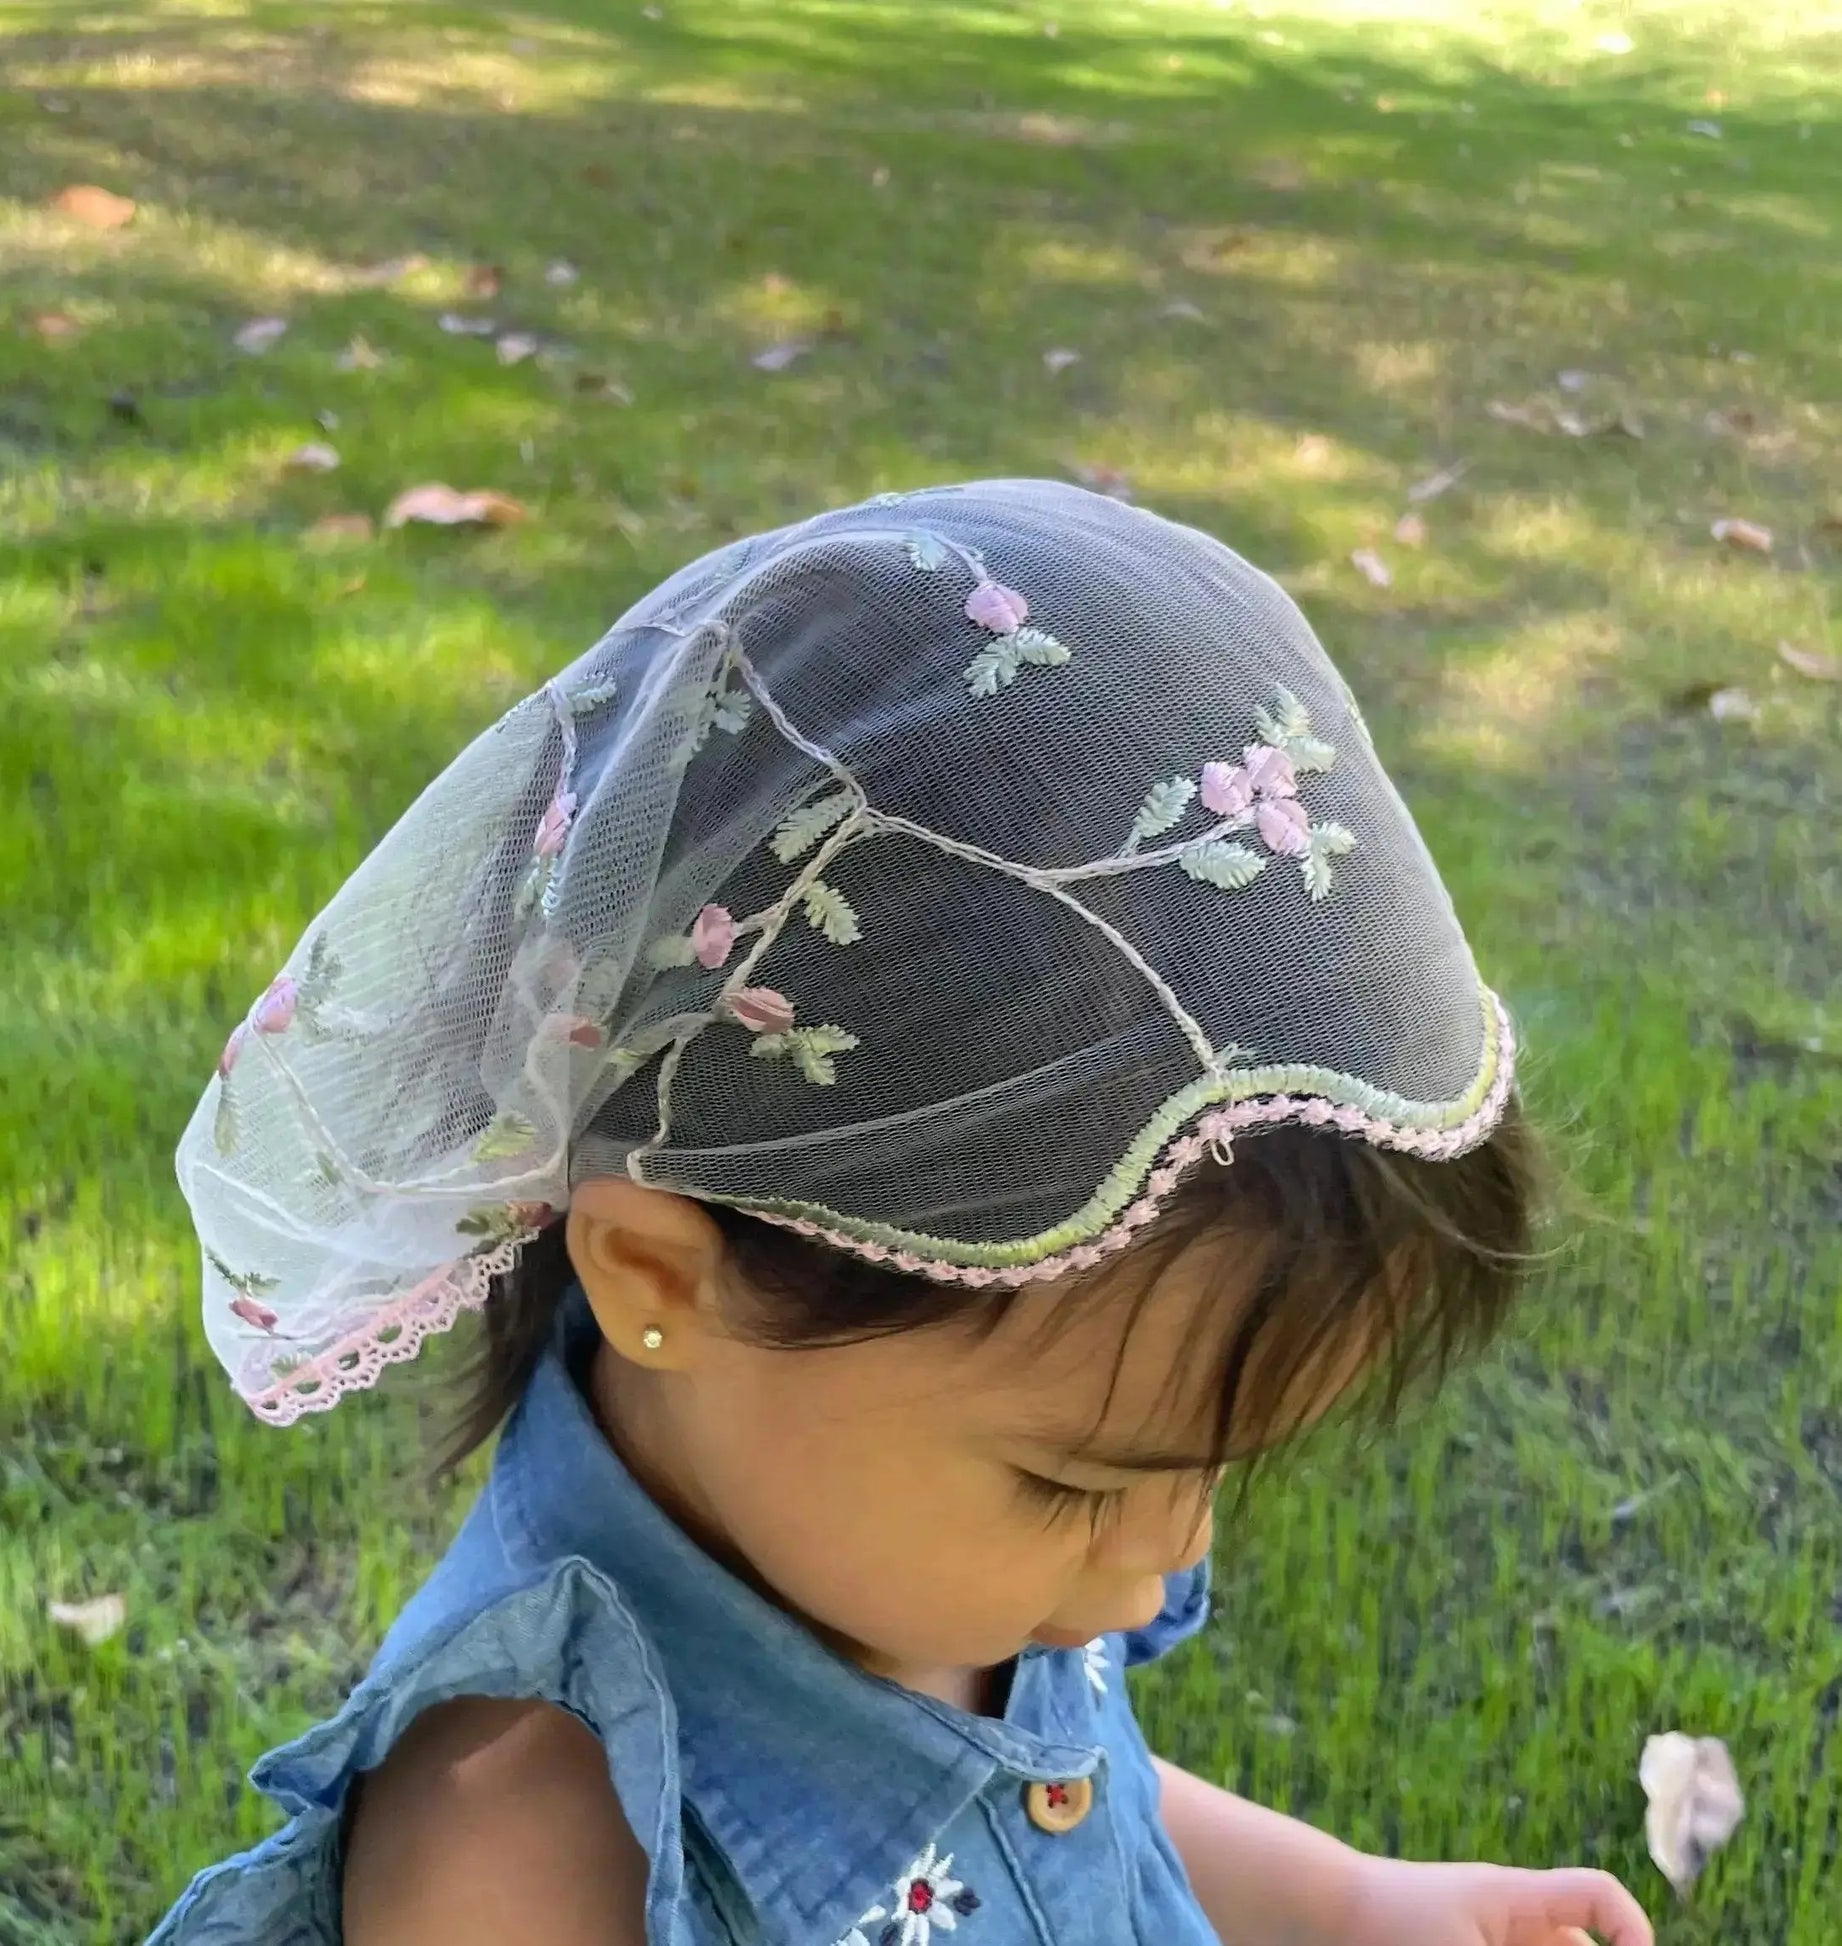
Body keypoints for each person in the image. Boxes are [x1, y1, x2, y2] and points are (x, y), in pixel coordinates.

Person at [153, 480, 1653, 1945]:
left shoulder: (935, 1546)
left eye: (1207, 1470)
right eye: (1077, 1485)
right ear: (660, 1278)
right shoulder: (525, 1844)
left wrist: (1343, 1901)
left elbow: (1051, 1801)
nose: (1168, 1551)